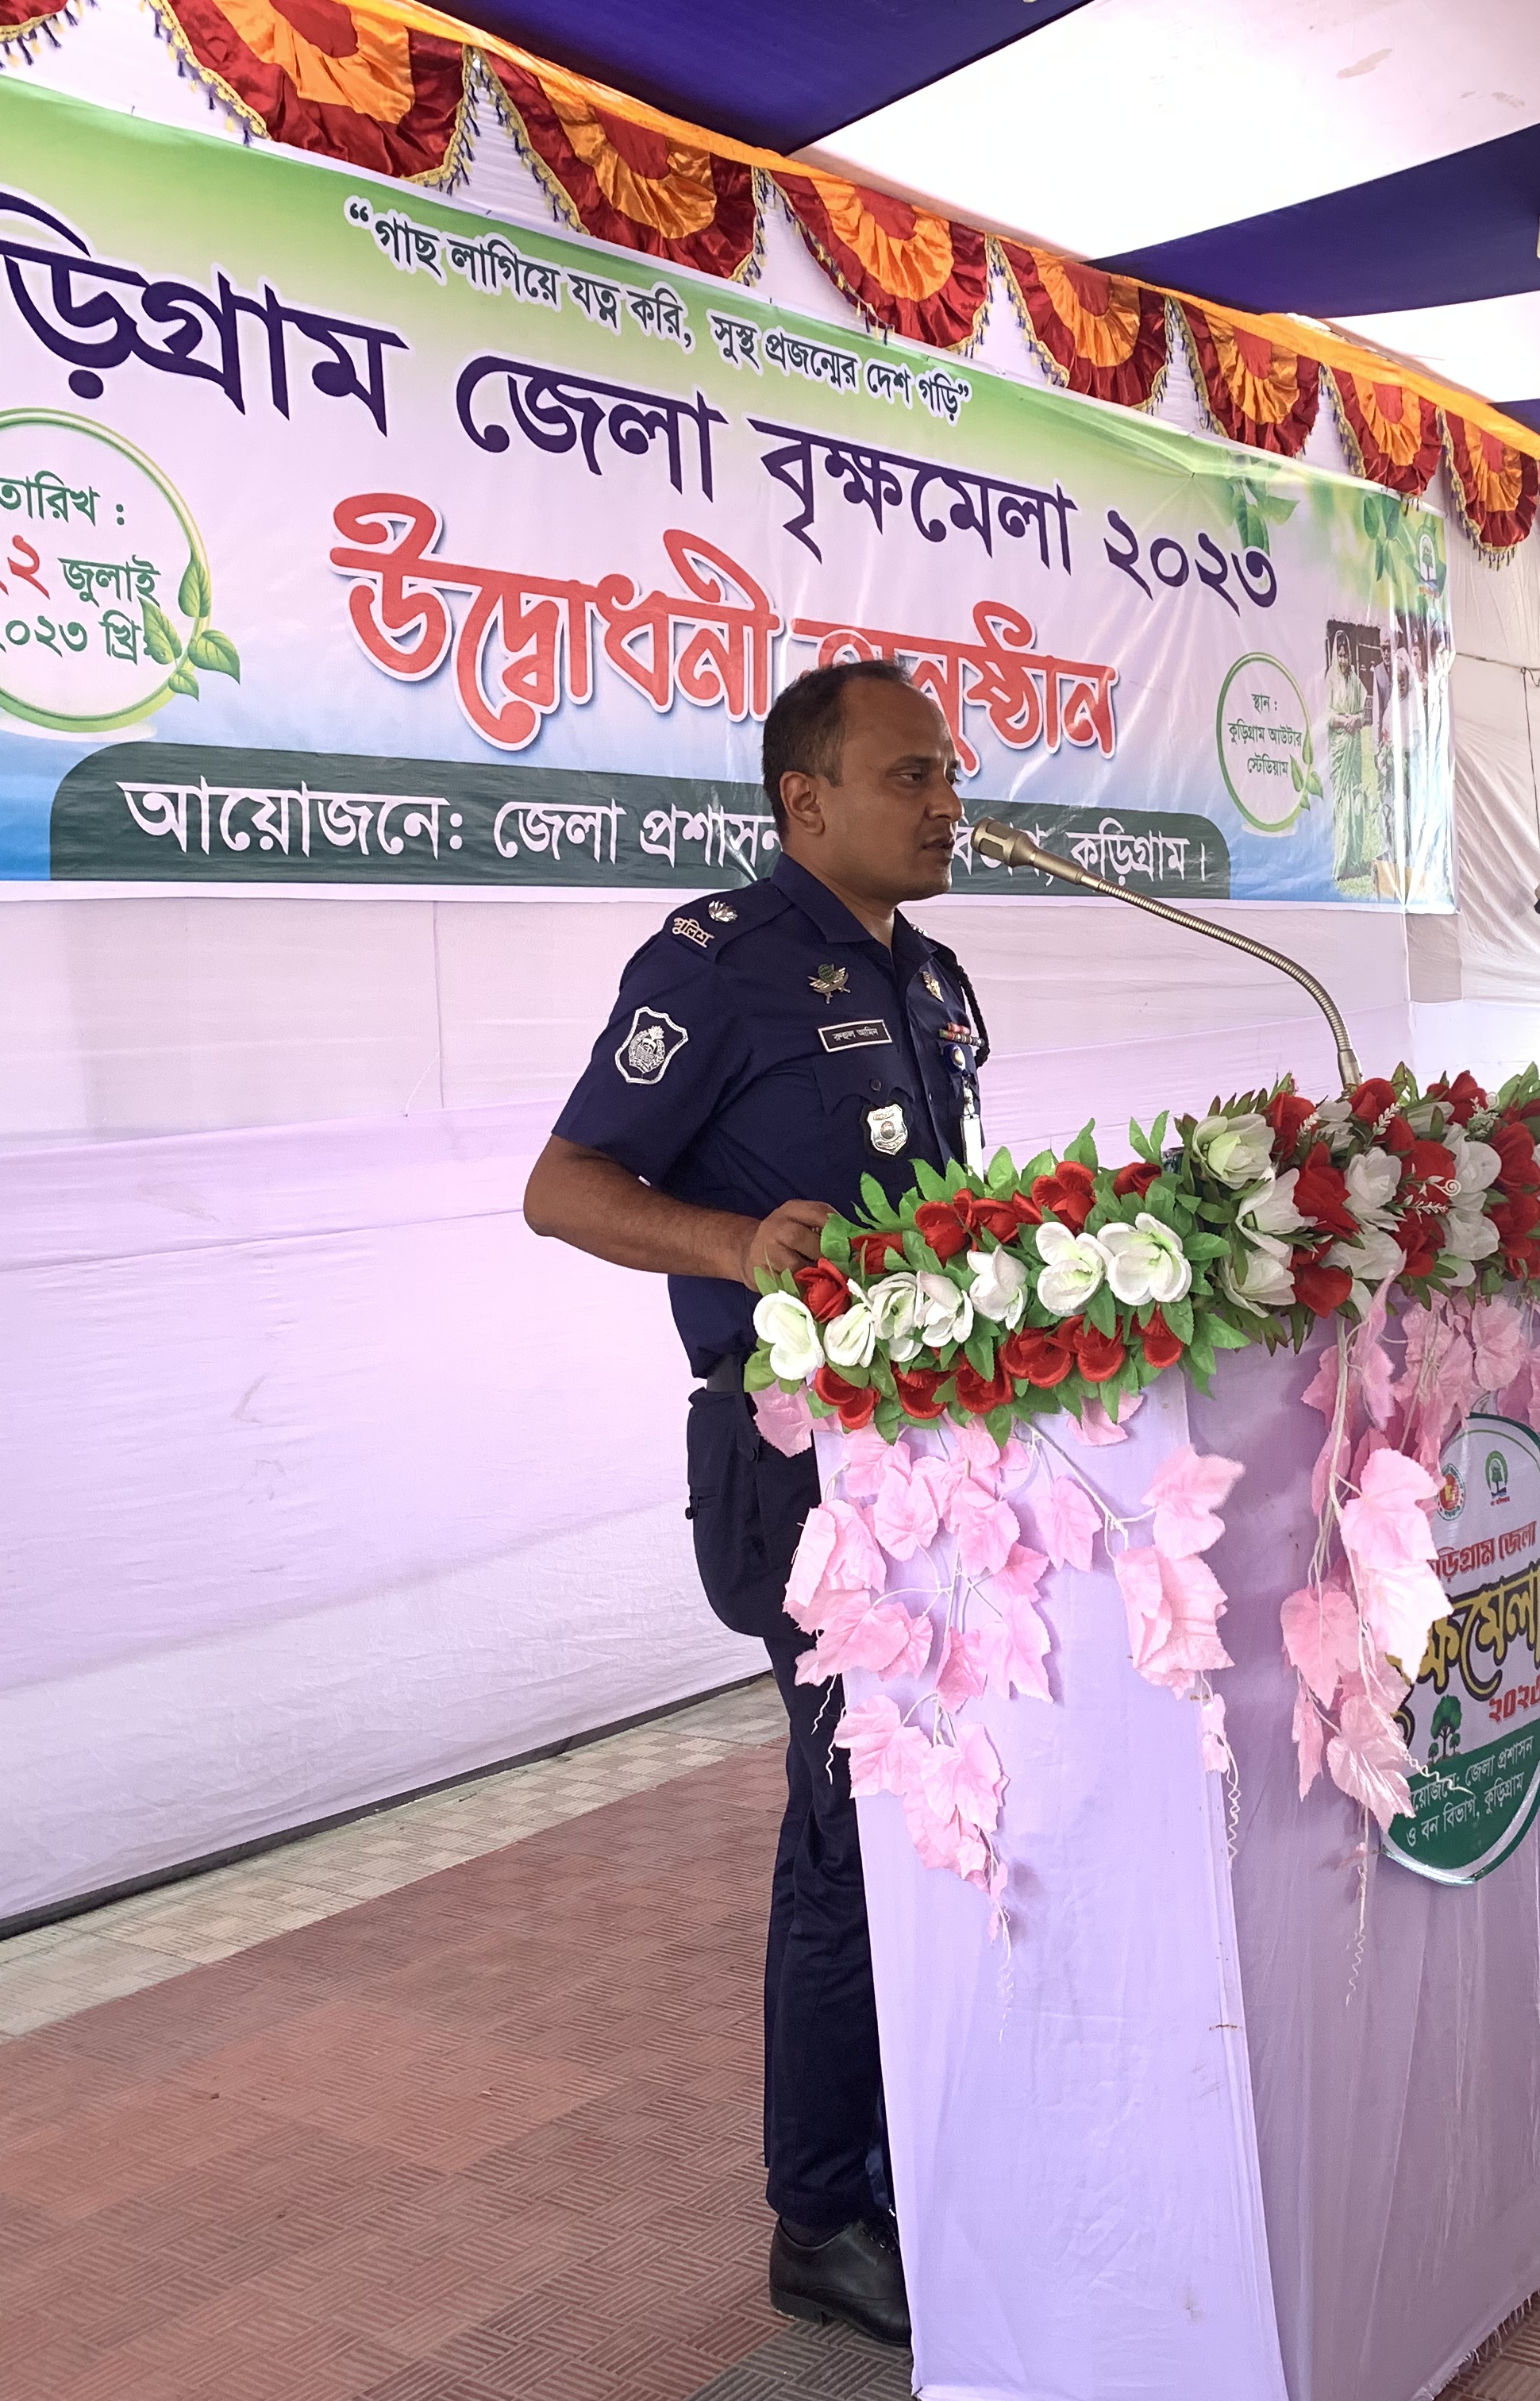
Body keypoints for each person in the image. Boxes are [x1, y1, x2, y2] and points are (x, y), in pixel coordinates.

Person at [522, 659, 988, 2346]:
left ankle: (926, 2146)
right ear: (808, 800)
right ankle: (823, 2215)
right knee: (844, 1819)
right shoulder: (712, 966)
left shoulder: (930, 974)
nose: (947, 803)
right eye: (911, 775)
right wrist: (733, 1245)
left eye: (948, 772)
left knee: (939, 1804)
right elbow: (561, 1186)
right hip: (793, 1466)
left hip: (939, 1455)